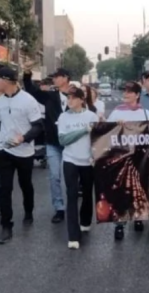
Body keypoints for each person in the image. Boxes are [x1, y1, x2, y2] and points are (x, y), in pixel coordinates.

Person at [0, 67, 44, 244]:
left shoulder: (28, 101)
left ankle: (28, 211)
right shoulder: (0, 101)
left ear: (8, 81)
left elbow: (38, 126)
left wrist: (24, 138)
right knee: (5, 188)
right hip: (5, 149)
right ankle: (6, 226)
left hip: (24, 151)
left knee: (25, 184)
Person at [106, 81, 149, 240]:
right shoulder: (116, 112)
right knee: (122, 190)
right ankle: (120, 224)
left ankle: (138, 218)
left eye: (129, 92)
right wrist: (115, 125)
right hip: (121, 158)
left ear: (137, 95)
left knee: (140, 189)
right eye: (125, 92)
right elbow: (106, 132)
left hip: (140, 159)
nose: (125, 95)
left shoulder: (146, 113)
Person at [22, 67, 71, 224]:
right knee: (54, 176)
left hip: (72, 144)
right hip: (53, 143)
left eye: (56, 77)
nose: (54, 79)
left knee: (72, 178)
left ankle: (74, 206)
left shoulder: (77, 95)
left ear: (65, 78)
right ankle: (59, 208)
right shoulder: (50, 96)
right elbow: (32, 90)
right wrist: (27, 75)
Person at [57, 86, 99, 250]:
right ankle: (73, 235)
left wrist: (96, 155)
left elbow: (99, 138)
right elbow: (63, 140)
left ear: (82, 100)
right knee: (72, 194)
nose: (70, 101)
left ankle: (86, 220)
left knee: (88, 193)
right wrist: (83, 130)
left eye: (73, 98)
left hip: (88, 160)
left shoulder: (92, 116)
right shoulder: (63, 117)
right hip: (70, 160)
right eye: (68, 98)